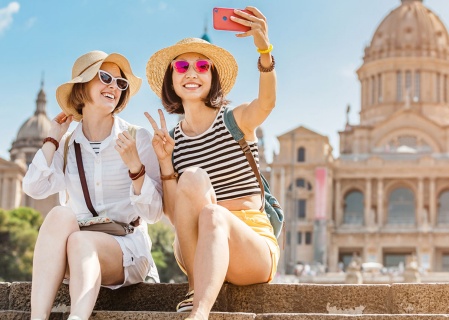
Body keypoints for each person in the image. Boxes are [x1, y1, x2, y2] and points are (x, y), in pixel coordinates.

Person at [144, 6, 278, 320]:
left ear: (213, 77)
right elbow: (177, 218)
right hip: (197, 250)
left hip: (251, 247)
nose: (192, 72)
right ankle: (195, 290)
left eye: (203, 66)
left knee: (215, 216)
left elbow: (268, 102)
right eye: (182, 66)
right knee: (191, 179)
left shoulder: (236, 120)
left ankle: (198, 313)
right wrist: (165, 163)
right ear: (171, 79)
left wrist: (265, 51)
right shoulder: (172, 139)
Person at [23, 50, 163, 320]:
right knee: (60, 214)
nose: (114, 86)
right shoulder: (66, 145)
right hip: (76, 250)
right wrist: (52, 139)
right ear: (82, 85)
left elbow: (154, 214)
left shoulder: (138, 138)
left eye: (120, 83)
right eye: (105, 77)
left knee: (80, 240)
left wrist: (136, 168)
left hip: (126, 249)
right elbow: (33, 187)